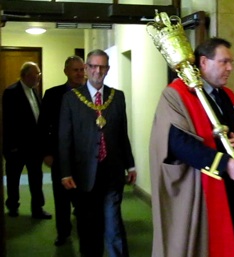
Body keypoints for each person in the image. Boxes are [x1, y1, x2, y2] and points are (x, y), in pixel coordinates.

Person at [150, 37, 234, 257]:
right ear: (203, 62)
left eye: (231, 62)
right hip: (199, 189)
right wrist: (225, 164)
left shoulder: (227, 95)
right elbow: (177, 143)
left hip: (233, 187)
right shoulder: (176, 94)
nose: (230, 68)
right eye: (224, 61)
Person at [58, 49, 137, 257]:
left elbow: (122, 134)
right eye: (93, 66)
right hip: (83, 174)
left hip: (112, 172)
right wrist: (65, 172)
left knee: (113, 226)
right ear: (86, 68)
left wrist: (131, 164)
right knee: (89, 227)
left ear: (107, 69)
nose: (97, 71)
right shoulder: (71, 99)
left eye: (102, 66)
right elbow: (64, 139)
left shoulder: (116, 97)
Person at [38, 56, 85, 246]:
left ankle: (85, 234)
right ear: (66, 71)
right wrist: (46, 153)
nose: (80, 73)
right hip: (60, 156)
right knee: (62, 198)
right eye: (75, 70)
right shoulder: (53, 95)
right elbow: (43, 126)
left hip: (84, 157)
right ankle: (63, 233)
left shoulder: (91, 94)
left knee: (83, 199)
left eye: (82, 69)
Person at [2, 61, 52, 219]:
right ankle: (13, 206)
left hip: (35, 146)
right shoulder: (11, 92)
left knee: (36, 178)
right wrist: (12, 146)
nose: (38, 77)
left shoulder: (35, 91)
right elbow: (8, 122)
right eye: (35, 74)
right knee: (13, 178)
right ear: (25, 75)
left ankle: (37, 208)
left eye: (39, 74)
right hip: (16, 146)